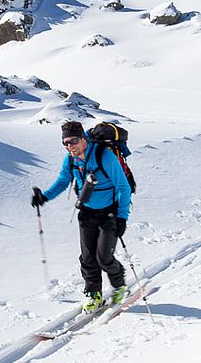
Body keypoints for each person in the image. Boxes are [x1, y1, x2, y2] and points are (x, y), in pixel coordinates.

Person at [31, 120, 132, 312]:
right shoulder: (70, 159)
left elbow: (123, 187)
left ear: (83, 138)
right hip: (86, 213)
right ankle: (94, 294)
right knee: (87, 258)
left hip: (108, 214)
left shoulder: (105, 156)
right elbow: (62, 181)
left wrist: (122, 217)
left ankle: (119, 285)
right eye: (66, 143)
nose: (70, 146)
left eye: (73, 141)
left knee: (104, 257)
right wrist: (44, 197)